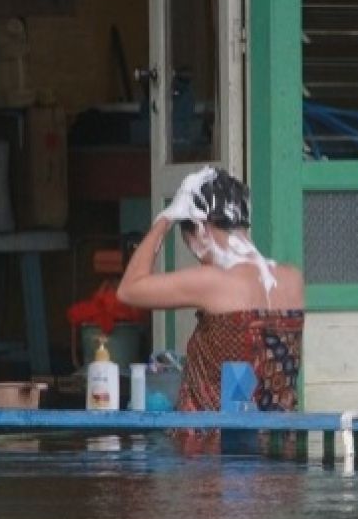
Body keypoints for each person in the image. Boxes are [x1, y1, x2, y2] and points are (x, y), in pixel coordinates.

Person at [116, 167, 304, 413]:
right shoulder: (293, 279)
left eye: (189, 243)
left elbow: (129, 289)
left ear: (200, 229)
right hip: (278, 439)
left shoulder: (213, 281)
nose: (197, 256)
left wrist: (165, 219)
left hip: (212, 444)